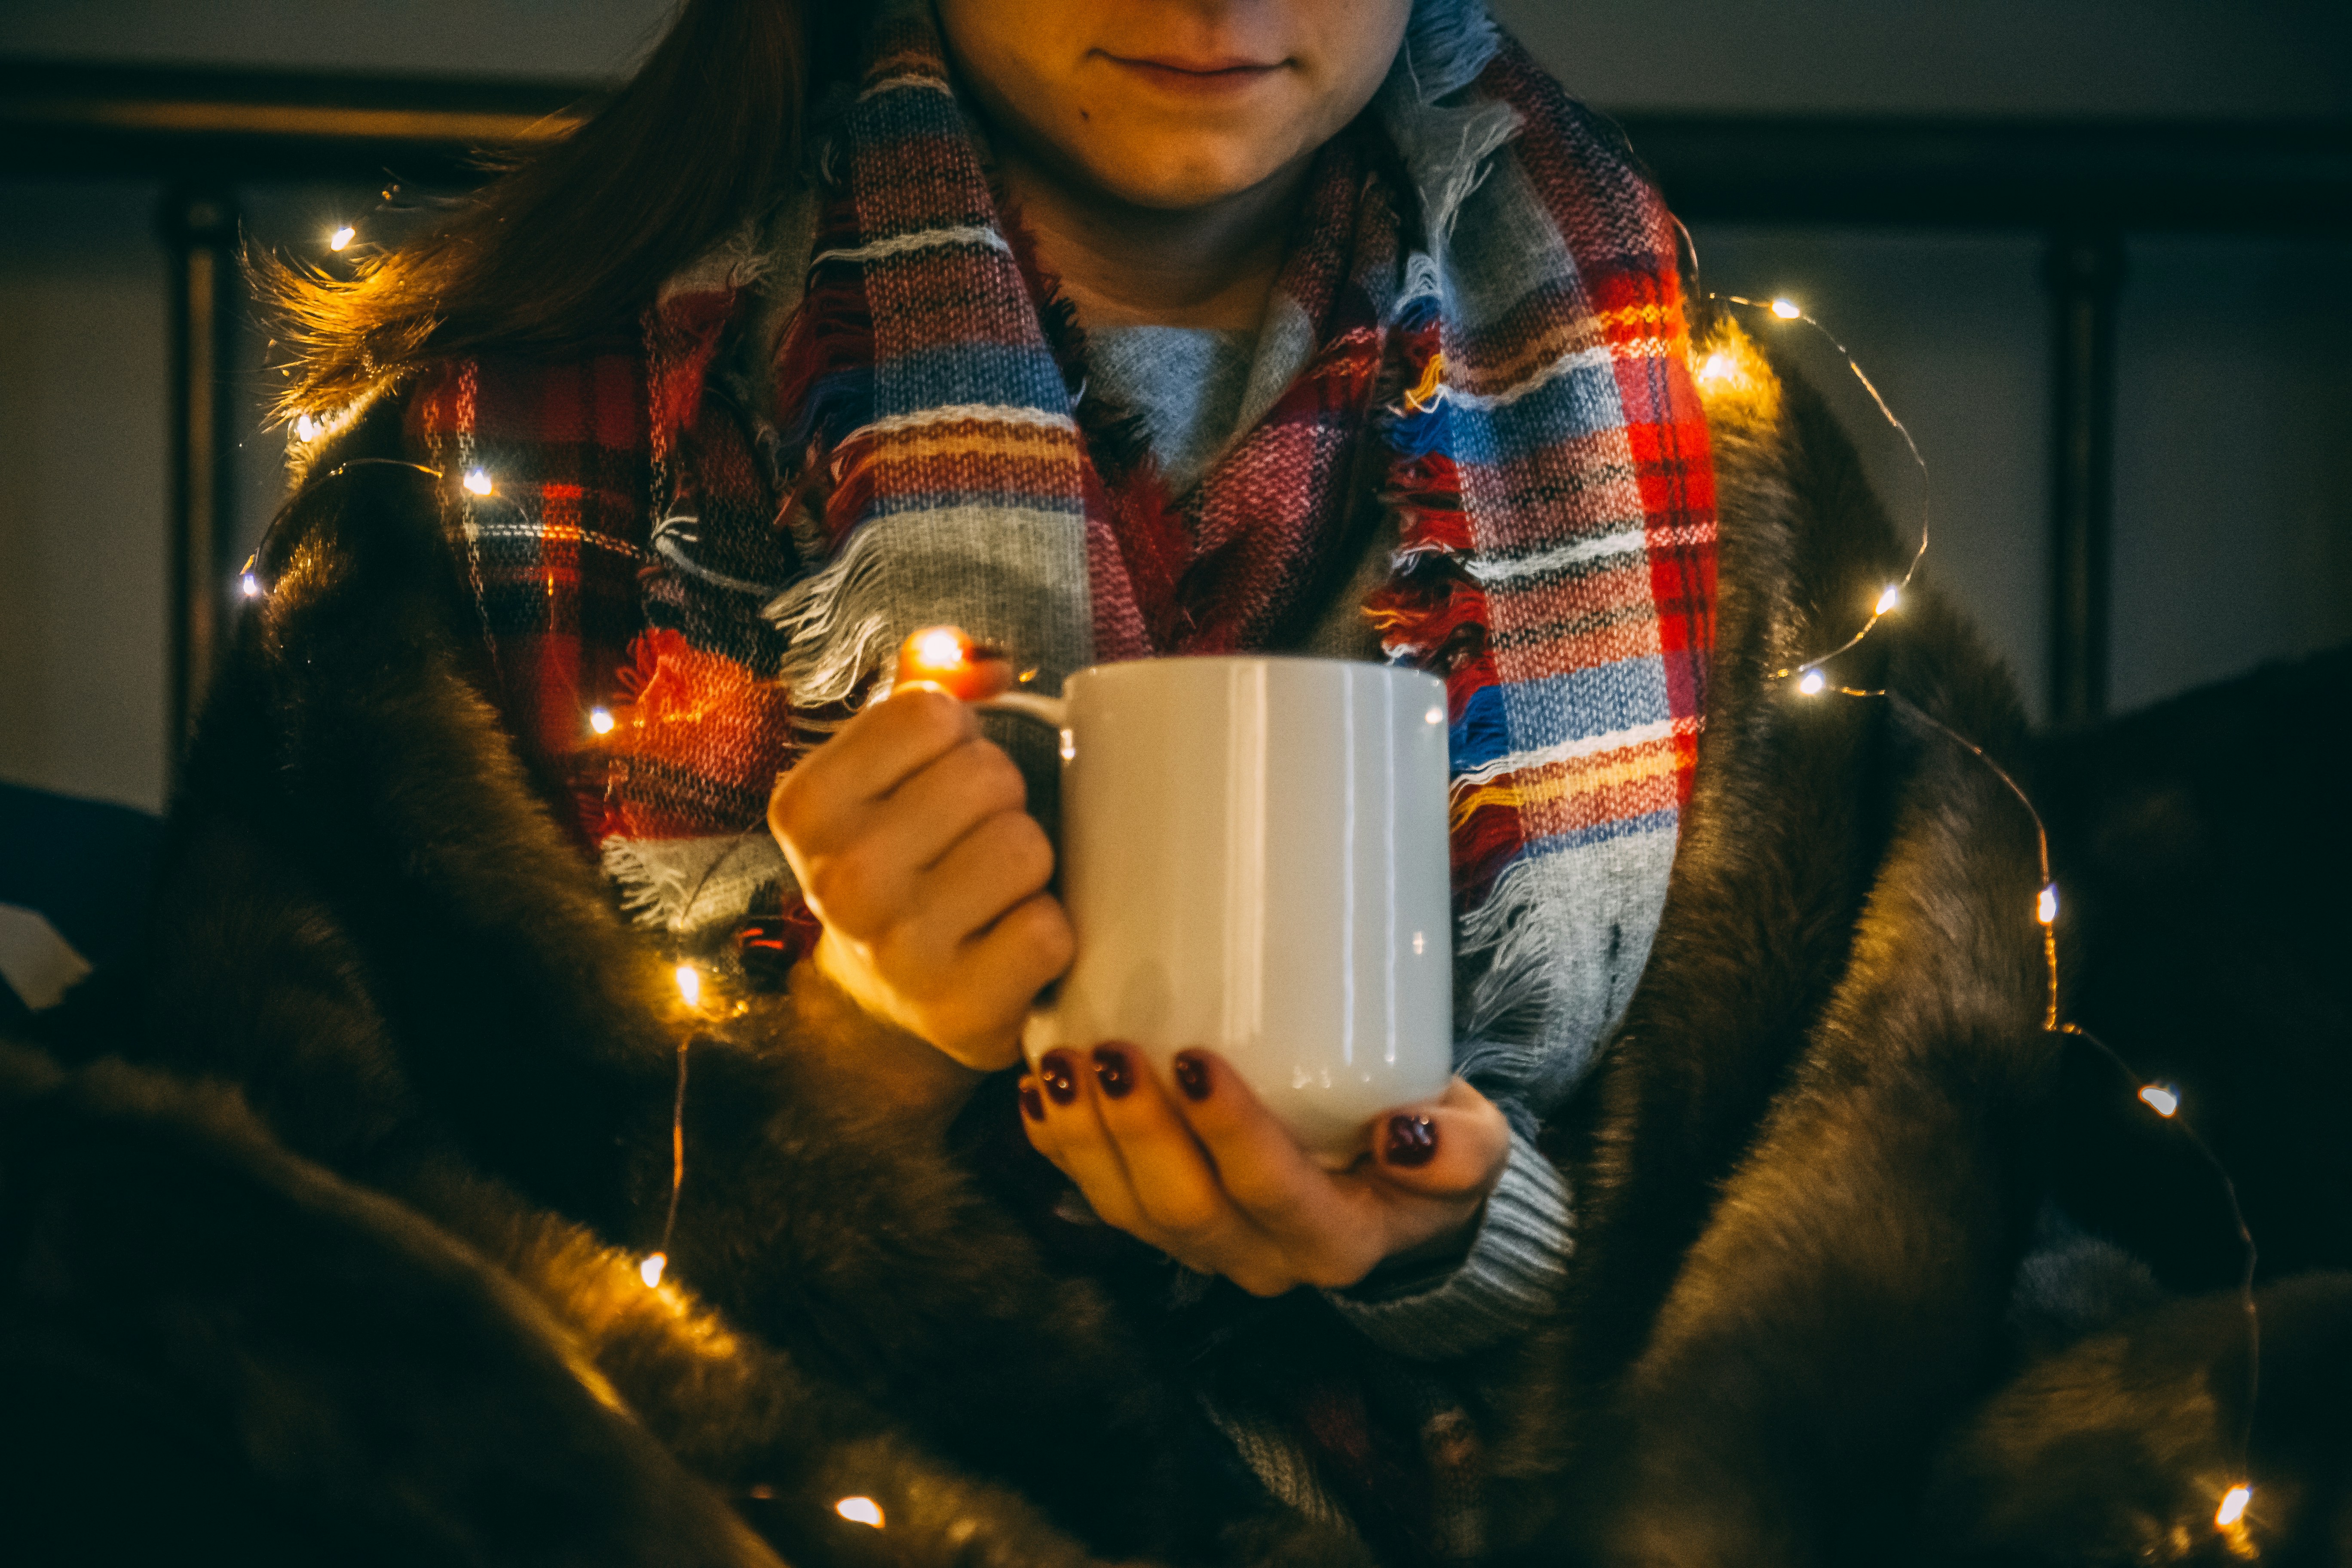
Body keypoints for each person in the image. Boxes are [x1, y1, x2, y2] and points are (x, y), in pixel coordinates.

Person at [9, 1, 2336, 1564]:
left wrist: (1455, 1240)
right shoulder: (521, 469)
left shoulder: (1708, 453)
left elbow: (1899, 1183)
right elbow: (345, 1241)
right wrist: (841, 1064)